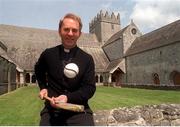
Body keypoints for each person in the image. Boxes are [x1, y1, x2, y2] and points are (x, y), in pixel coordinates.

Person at [35, 13, 96, 126]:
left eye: (74, 30)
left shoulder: (87, 59)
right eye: (66, 29)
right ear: (59, 31)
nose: (70, 33)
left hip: (78, 111)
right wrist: (43, 87)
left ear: (79, 34)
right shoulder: (48, 54)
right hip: (52, 111)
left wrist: (67, 97)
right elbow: (38, 70)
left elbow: (89, 88)